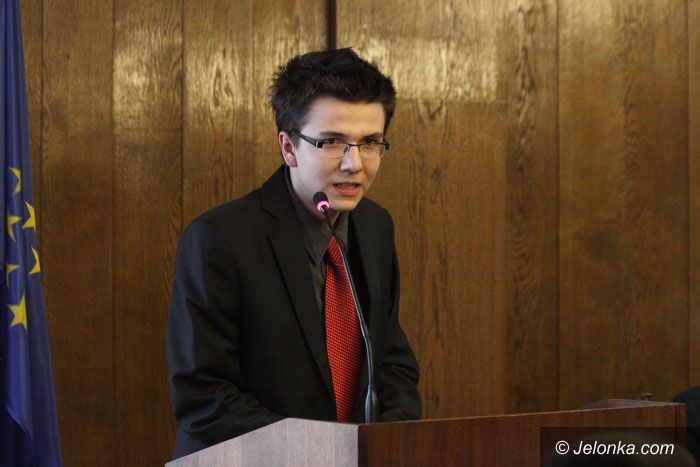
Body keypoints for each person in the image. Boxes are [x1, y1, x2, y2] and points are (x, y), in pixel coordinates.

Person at [167, 48, 421, 459]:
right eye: (332, 142)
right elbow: (205, 397)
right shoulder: (219, 239)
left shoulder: (375, 226)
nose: (354, 164)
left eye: (370, 142)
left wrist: (387, 446)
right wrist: (320, 453)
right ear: (288, 148)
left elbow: (391, 361)